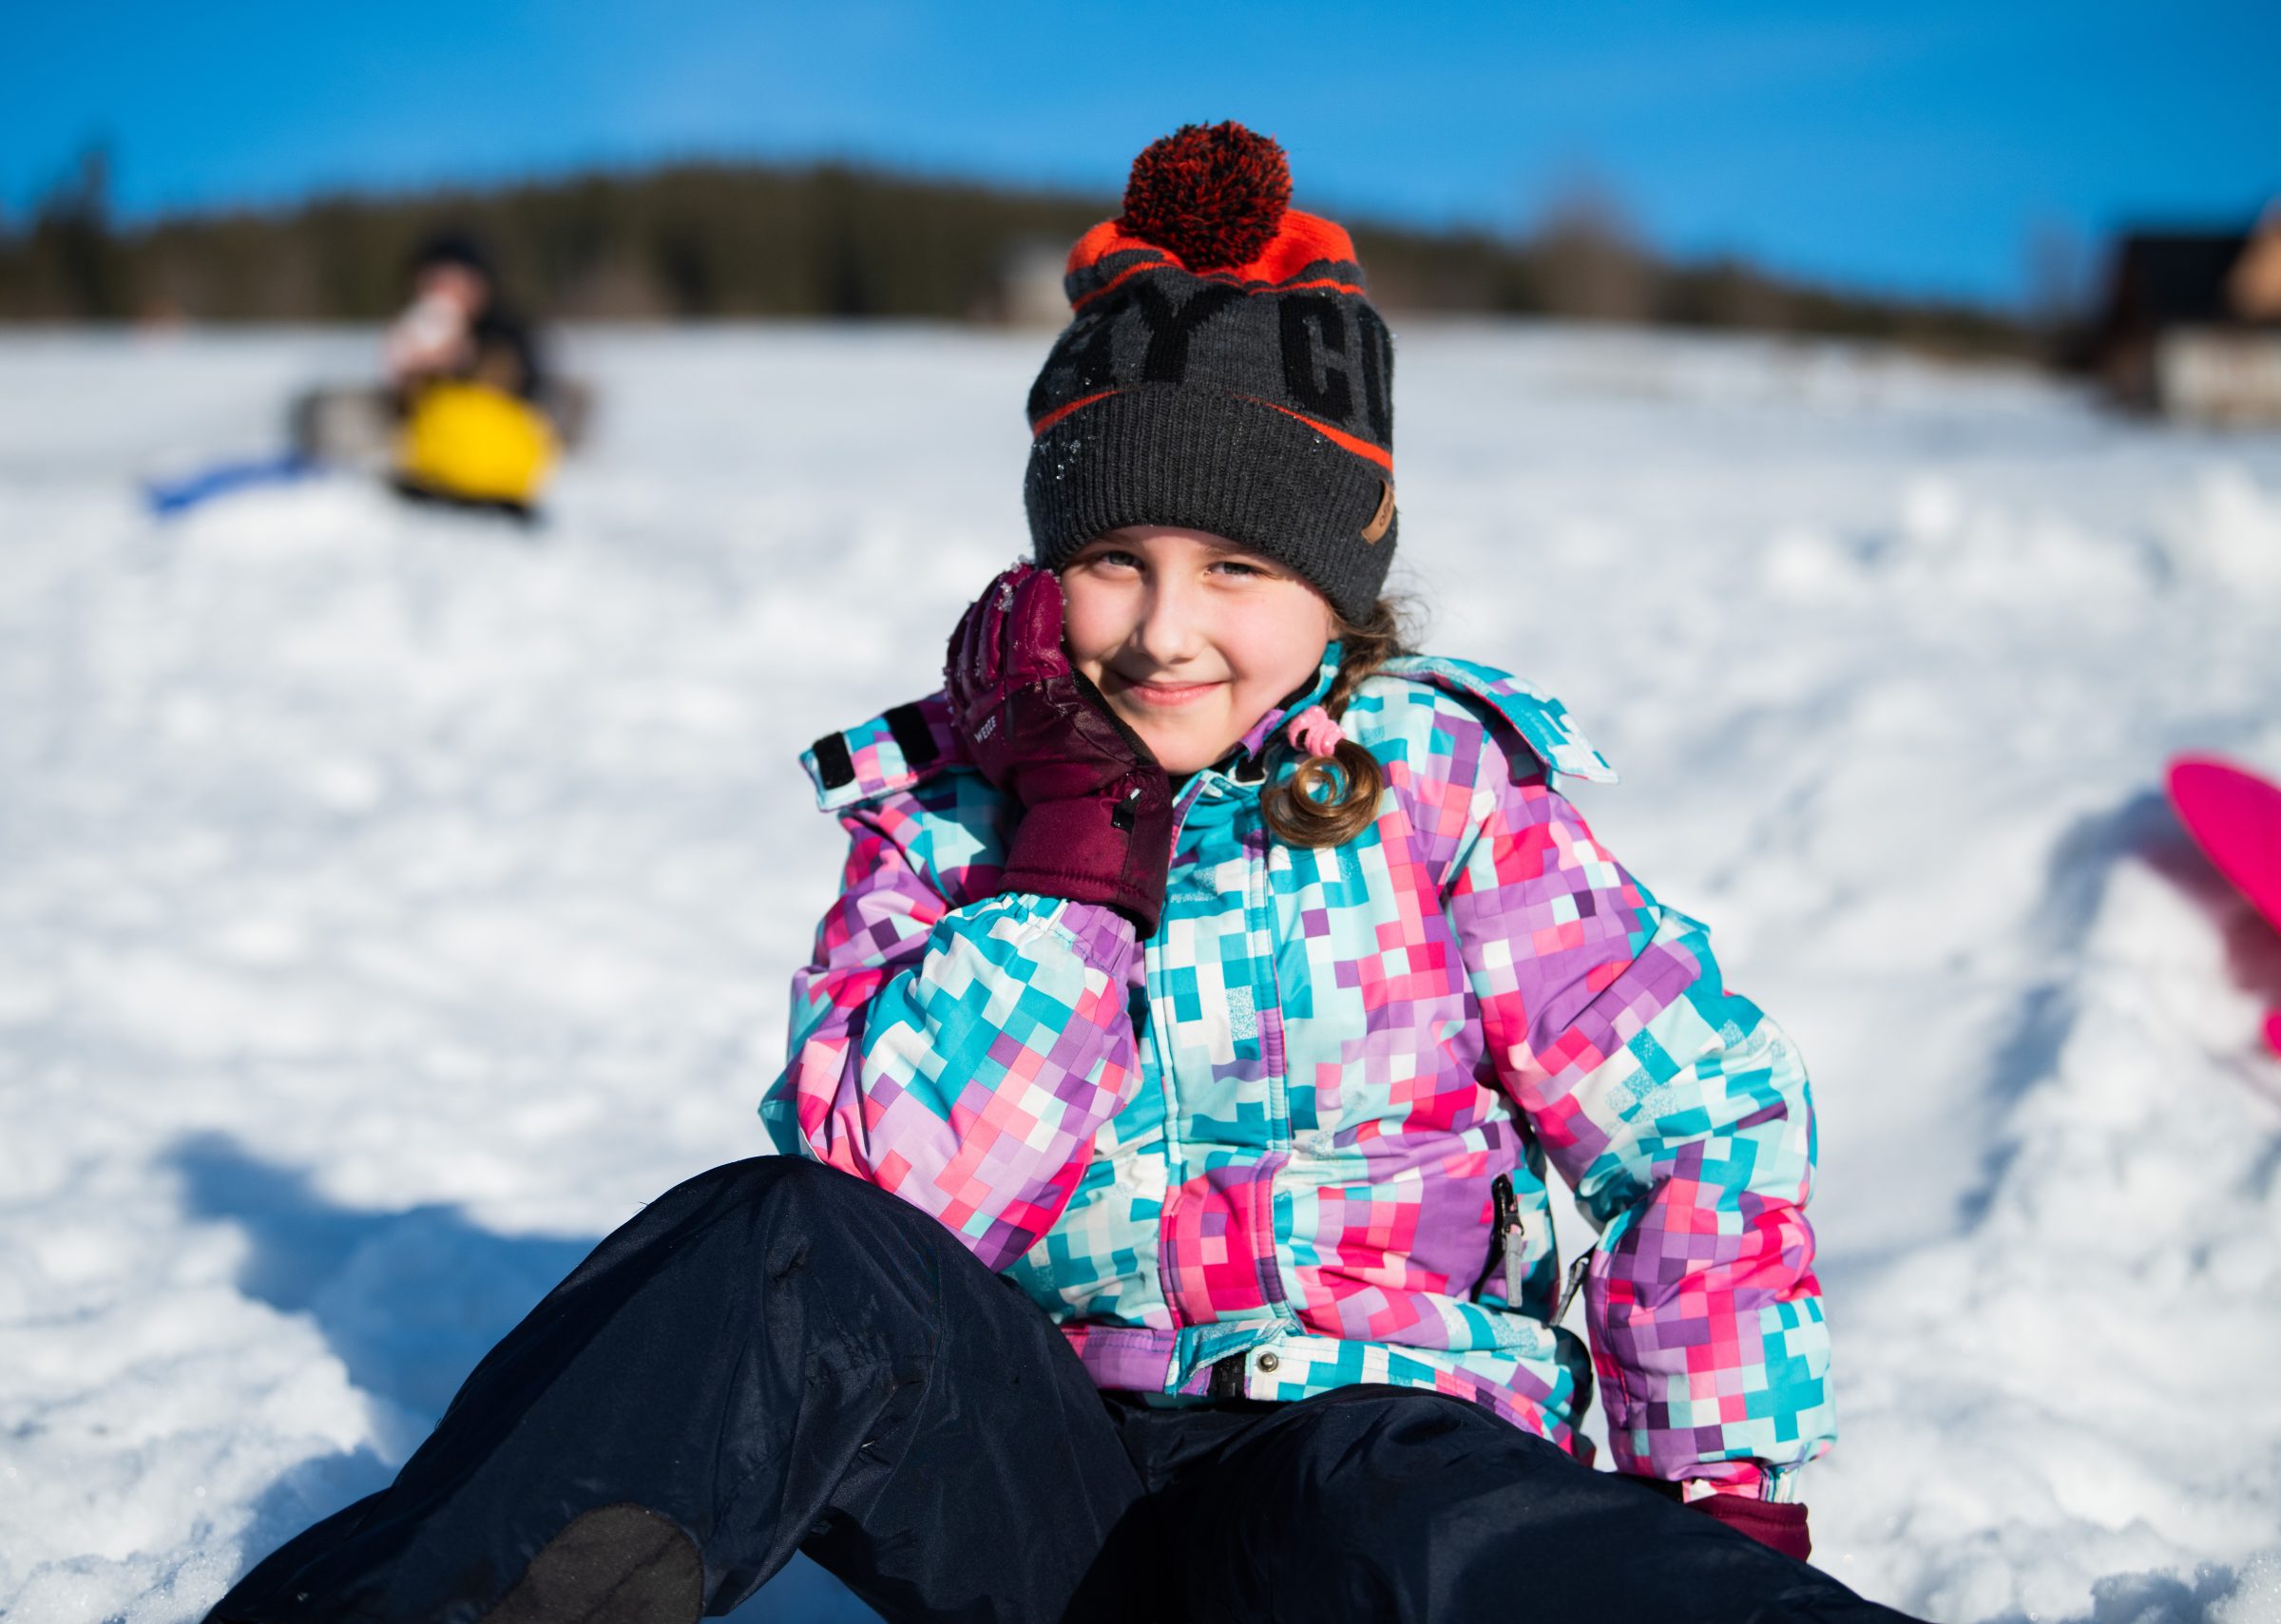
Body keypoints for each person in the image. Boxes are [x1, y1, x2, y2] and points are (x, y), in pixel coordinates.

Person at [207, 124, 1921, 1624]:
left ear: (1341, 581)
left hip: (1365, 1468)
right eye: (1114, 558)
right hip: (1046, 1503)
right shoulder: (961, 817)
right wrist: (1068, 851)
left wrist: (1727, 1479)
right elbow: (892, 1193)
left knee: (1417, 1500)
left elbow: (1696, 1114)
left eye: (1239, 564)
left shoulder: (1442, 789)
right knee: (771, 1235)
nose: (1168, 627)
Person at [382, 230, 557, 516]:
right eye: (436, 282)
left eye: (457, 281)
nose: (447, 292)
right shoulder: (415, 331)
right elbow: (403, 409)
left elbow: (521, 384)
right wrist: (409, 376)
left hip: (499, 462)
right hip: (434, 460)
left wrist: (462, 362)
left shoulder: (505, 329)